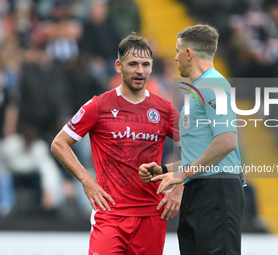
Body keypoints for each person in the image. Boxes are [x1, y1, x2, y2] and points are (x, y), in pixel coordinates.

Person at [51, 33, 183, 255]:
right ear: (119, 66)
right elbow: (58, 143)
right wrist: (87, 180)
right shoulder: (98, 106)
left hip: (152, 213)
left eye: (145, 64)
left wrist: (179, 185)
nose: (140, 70)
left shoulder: (165, 109)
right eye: (133, 64)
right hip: (110, 213)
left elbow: (195, 151)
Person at [139, 24, 245, 255]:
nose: (175, 58)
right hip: (198, 188)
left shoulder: (213, 85)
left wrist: (184, 173)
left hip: (217, 190)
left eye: (178, 51)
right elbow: (199, 154)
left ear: (189, 53)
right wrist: (165, 169)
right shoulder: (198, 89)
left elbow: (227, 141)